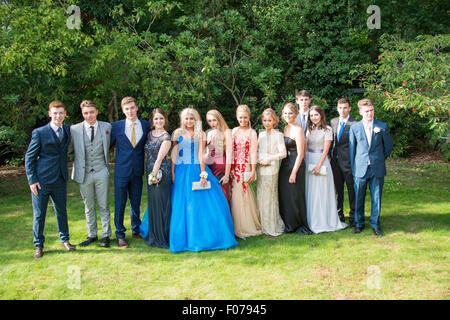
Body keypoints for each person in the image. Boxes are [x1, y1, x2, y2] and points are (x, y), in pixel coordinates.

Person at [169, 108, 238, 253]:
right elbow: (174, 155)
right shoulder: (177, 133)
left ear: (196, 120)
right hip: (181, 170)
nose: (189, 121)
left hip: (196, 168)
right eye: (186, 118)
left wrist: (203, 173)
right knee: (181, 203)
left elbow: (201, 155)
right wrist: (173, 173)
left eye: (192, 119)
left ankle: (204, 236)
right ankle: (182, 237)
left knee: (200, 203)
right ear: (183, 119)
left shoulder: (201, 135)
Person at [25, 100, 75, 258]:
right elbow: (29, 157)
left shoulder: (67, 130)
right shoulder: (39, 133)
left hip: (60, 179)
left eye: (61, 113)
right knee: (39, 214)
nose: (58, 116)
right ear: (49, 114)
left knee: (62, 211)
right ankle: (38, 244)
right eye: (55, 113)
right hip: (42, 180)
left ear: (65, 114)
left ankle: (65, 240)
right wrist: (32, 180)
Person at [70, 100, 112, 248]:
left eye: (92, 112)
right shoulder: (74, 129)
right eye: (86, 113)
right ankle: (92, 234)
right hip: (84, 173)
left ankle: (106, 235)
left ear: (97, 112)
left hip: (101, 171)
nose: (89, 115)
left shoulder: (107, 127)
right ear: (82, 113)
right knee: (88, 206)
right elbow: (68, 149)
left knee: (103, 204)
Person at [110, 96, 150, 248]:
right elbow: (108, 146)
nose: (130, 111)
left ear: (137, 108)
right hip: (121, 171)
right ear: (123, 110)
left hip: (137, 171)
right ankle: (120, 234)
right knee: (120, 203)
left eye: (132, 108)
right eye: (127, 109)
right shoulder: (117, 126)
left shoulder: (145, 125)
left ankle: (135, 229)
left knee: (136, 202)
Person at [349, 98, 393, 236]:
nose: (370, 113)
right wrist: (355, 167)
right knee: (358, 197)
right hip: (360, 168)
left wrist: (378, 159)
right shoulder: (355, 128)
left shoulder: (382, 126)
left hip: (377, 167)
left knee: (376, 197)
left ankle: (375, 224)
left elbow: (388, 147)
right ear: (361, 111)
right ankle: (359, 223)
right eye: (367, 111)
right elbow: (352, 149)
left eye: (372, 110)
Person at [305, 105, 347, 233]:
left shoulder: (327, 129)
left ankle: (324, 220)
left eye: (316, 115)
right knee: (310, 191)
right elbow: (305, 146)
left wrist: (318, 165)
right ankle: (311, 219)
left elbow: (326, 150)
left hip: (321, 161)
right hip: (309, 160)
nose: (314, 118)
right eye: (311, 115)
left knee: (321, 192)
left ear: (321, 115)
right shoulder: (309, 129)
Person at [140, 108, 172, 248]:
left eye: (161, 118)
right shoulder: (149, 134)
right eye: (156, 118)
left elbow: (159, 159)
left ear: (165, 119)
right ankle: (153, 234)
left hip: (160, 174)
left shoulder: (166, 137)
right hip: (150, 173)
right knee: (153, 205)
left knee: (161, 205)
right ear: (152, 120)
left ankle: (162, 236)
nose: (158, 121)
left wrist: (153, 175)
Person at [278, 102, 312, 234]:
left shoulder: (298, 130)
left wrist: (294, 173)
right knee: (285, 194)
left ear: (296, 114)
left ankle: (297, 224)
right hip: (285, 164)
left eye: (290, 113)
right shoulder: (285, 128)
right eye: (285, 113)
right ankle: (288, 223)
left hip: (295, 164)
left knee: (294, 195)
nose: (287, 115)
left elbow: (301, 153)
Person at [230, 104, 262, 239]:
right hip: (234, 166)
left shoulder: (252, 133)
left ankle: (244, 225)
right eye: (240, 117)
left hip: (245, 166)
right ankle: (234, 225)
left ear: (249, 117)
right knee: (233, 194)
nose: (242, 120)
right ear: (237, 117)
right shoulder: (233, 131)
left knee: (243, 194)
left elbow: (253, 153)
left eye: (245, 117)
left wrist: (253, 170)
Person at [256, 108, 286, 236]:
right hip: (260, 167)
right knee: (261, 196)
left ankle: (271, 225)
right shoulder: (261, 134)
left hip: (271, 168)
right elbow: (257, 150)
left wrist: (269, 158)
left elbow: (283, 153)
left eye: (270, 120)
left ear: (275, 121)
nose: (267, 123)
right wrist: (257, 158)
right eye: (265, 120)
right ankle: (262, 223)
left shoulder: (278, 135)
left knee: (270, 197)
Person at [330, 98, 357, 227]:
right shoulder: (333, 122)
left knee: (352, 190)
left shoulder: (355, 124)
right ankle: (339, 216)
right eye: (340, 108)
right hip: (335, 163)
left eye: (345, 107)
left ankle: (353, 217)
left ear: (349, 108)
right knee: (337, 191)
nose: (342, 110)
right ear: (337, 108)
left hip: (349, 163)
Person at [205, 109, 233, 205]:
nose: (212, 123)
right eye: (209, 121)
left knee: (223, 196)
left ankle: (225, 219)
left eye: (214, 120)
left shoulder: (227, 132)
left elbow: (229, 155)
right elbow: (208, 153)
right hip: (210, 168)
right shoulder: (209, 133)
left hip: (221, 169)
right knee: (213, 197)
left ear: (219, 119)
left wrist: (226, 175)